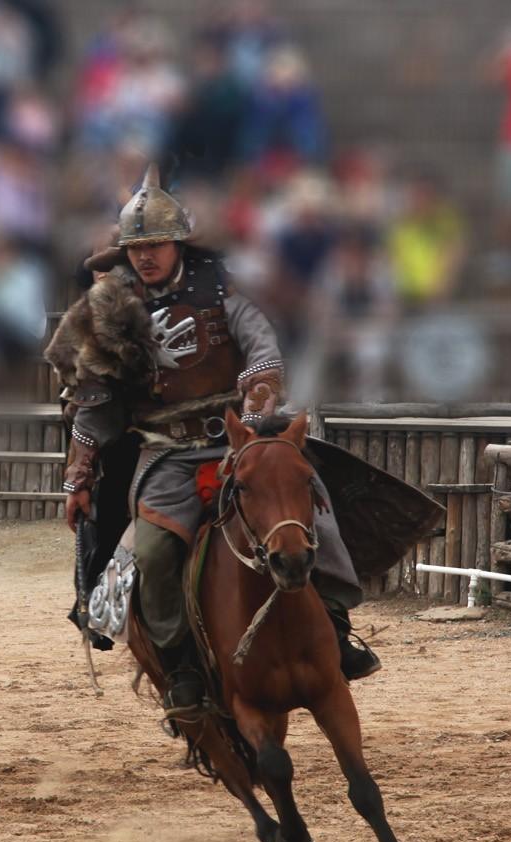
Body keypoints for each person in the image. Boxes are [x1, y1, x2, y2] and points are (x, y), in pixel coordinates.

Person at [53, 165, 378, 722]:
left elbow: (263, 350)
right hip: (164, 453)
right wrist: (78, 475)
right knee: (151, 554)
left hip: (239, 437)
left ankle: (337, 628)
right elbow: (95, 400)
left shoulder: (223, 287)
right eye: (135, 247)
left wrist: (260, 395)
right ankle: (179, 666)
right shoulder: (109, 306)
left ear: (178, 242)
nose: (146, 256)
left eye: (155, 243)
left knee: (311, 504)